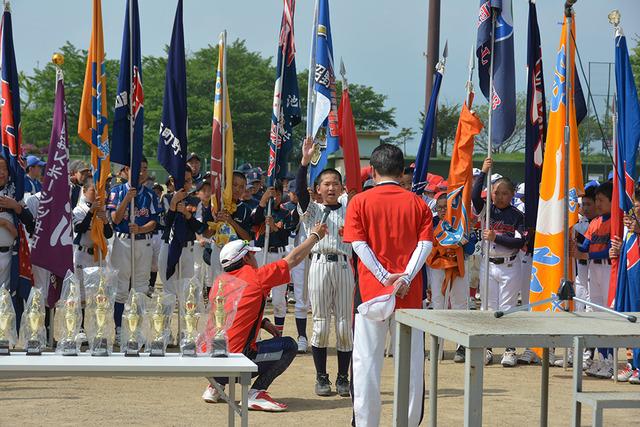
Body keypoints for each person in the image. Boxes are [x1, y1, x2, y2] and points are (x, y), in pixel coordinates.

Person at [343, 144, 433, 427]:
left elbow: (359, 244)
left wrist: (384, 278)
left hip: (371, 292)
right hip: (409, 294)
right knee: (411, 364)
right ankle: (406, 423)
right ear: (402, 169)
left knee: (366, 363)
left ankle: (366, 423)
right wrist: (404, 277)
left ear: (374, 169)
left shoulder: (359, 201)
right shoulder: (418, 203)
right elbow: (425, 245)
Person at [201, 222, 328, 411]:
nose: (255, 257)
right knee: (289, 345)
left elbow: (235, 315)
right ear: (245, 259)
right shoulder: (257, 276)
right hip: (235, 362)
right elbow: (293, 259)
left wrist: (264, 322)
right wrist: (315, 236)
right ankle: (256, 393)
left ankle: (215, 385)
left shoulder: (220, 282)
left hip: (207, 362)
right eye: (252, 254)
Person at [295, 136, 356, 397]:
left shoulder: (350, 207)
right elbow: (299, 192)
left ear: (342, 188)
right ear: (318, 189)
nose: (331, 188)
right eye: (326, 184)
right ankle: (322, 377)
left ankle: (343, 377)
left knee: (344, 326)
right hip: (319, 264)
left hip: (343, 266)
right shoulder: (312, 210)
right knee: (320, 324)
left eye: (335, 184)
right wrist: (305, 162)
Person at [472, 158, 525, 367]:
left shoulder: (517, 215)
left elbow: (520, 241)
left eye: (505, 193)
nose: (500, 196)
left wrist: (496, 238)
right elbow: (475, 195)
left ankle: (510, 350)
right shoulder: (486, 209)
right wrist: (484, 172)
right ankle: (488, 347)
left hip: (510, 265)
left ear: (512, 195)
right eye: (496, 192)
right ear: (491, 193)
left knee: (508, 307)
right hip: (488, 264)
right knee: (488, 307)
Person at [107, 156, 162, 341]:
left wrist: (140, 228)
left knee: (141, 287)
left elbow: (154, 222)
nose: (141, 172)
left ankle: (135, 329)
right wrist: (127, 199)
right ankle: (119, 330)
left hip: (143, 242)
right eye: (137, 168)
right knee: (121, 287)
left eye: (145, 168)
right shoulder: (117, 191)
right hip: (122, 242)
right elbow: (115, 219)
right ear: (126, 170)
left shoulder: (150, 194)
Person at [427, 191, 476, 363]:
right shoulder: (432, 223)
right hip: (438, 267)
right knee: (438, 303)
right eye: (439, 208)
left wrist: (463, 241)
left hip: (459, 266)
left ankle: (460, 345)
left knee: (460, 304)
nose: (442, 211)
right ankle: (436, 344)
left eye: (445, 208)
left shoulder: (463, 223)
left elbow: (470, 249)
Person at [572, 182, 614, 380]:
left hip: (608, 268)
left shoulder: (616, 220)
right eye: (595, 200)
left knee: (608, 314)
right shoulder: (595, 222)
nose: (597, 204)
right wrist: (574, 244)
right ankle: (602, 358)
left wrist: (584, 254)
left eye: (601, 200)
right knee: (597, 314)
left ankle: (611, 360)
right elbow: (586, 245)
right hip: (594, 269)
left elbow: (610, 249)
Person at [252, 180, 298, 334]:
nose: (275, 197)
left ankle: (279, 334)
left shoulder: (285, 213)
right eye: (272, 194)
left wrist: (273, 227)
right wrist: (264, 201)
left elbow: (285, 236)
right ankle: (255, 335)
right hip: (260, 254)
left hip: (278, 254)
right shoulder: (261, 210)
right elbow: (253, 221)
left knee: (278, 299)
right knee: (258, 297)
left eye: (278, 194)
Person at [159, 166, 204, 297]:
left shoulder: (196, 201)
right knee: (169, 291)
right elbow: (165, 224)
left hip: (187, 248)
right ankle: (167, 318)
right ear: (173, 181)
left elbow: (199, 227)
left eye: (189, 180)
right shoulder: (166, 198)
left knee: (186, 291)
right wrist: (173, 205)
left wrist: (186, 213)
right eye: (183, 181)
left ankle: (186, 318)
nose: (186, 184)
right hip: (169, 246)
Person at [611, 188, 640, 384]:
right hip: (630, 275)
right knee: (629, 314)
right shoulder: (630, 229)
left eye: (636, 207)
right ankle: (633, 363)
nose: (632, 212)